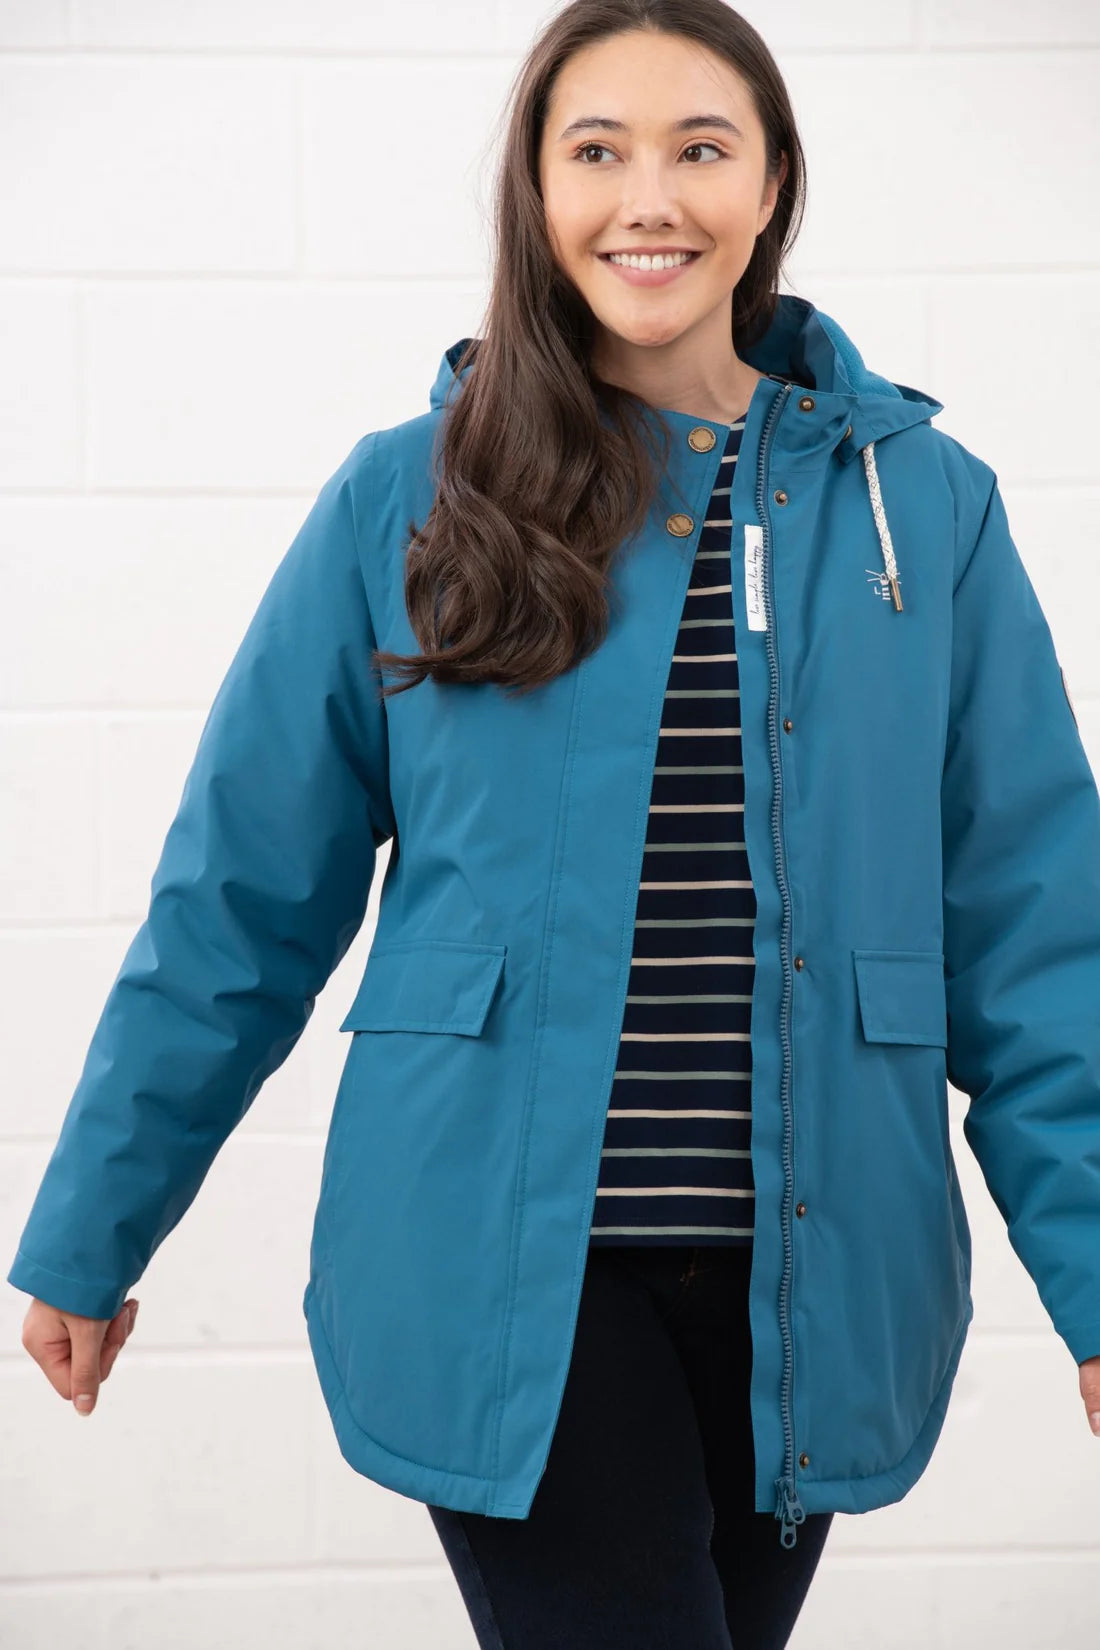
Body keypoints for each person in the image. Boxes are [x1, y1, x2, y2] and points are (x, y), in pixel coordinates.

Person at [10, 3, 1100, 1647]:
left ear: (772, 181)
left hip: (810, 1283)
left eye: (699, 148)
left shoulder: (921, 509)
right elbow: (238, 901)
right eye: (596, 151)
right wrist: (94, 1222)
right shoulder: (415, 493)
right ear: (535, 188)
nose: (645, 198)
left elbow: (1036, 928)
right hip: (500, 1271)